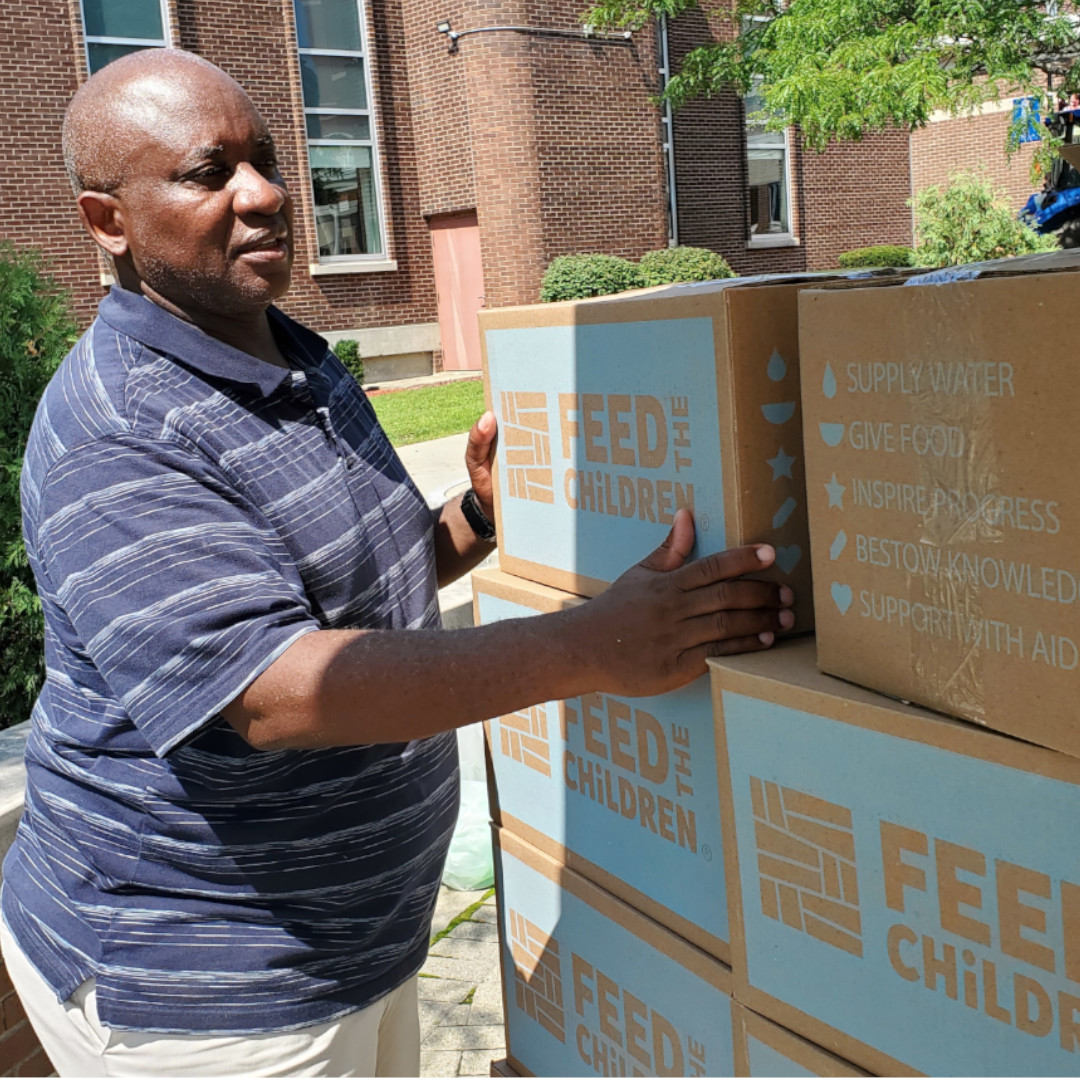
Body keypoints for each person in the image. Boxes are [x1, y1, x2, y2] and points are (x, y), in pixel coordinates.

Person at [0, 48, 795, 1078]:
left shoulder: (295, 356)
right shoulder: (120, 428)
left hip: (355, 943)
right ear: (109, 221)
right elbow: (279, 693)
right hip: (214, 992)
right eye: (208, 174)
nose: (267, 196)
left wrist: (475, 518)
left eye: (268, 159)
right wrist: (596, 647)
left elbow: (350, 596)